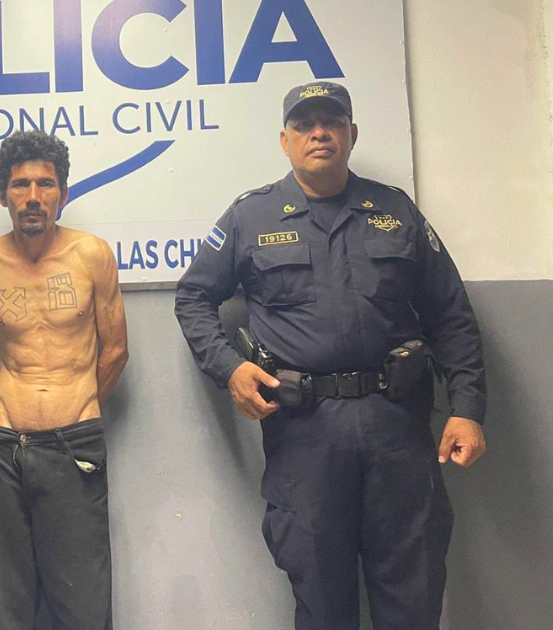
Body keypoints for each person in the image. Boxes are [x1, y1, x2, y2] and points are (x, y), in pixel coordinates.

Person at [175, 82, 487, 630]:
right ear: (285, 140)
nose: (319, 133)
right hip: (305, 433)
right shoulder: (252, 216)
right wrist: (230, 368)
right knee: (322, 597)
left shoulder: (394, 209)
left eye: (332, 121)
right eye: (304, 124)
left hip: (397, 427)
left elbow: (450, 313)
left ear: (351, 133)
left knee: (413, 592)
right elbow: (193, 297)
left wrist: (467, 409)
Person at [0, 131, 129, 629]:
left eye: (45, 184)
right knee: (1, 601)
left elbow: (116, 351)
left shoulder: (91, 255)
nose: (33, 197)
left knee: (82, 599)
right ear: (2, 195)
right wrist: (21, 408)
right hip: (2, 446)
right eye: (20, 185)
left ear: (64, 194)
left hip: (74, 444)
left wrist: (72, 411)